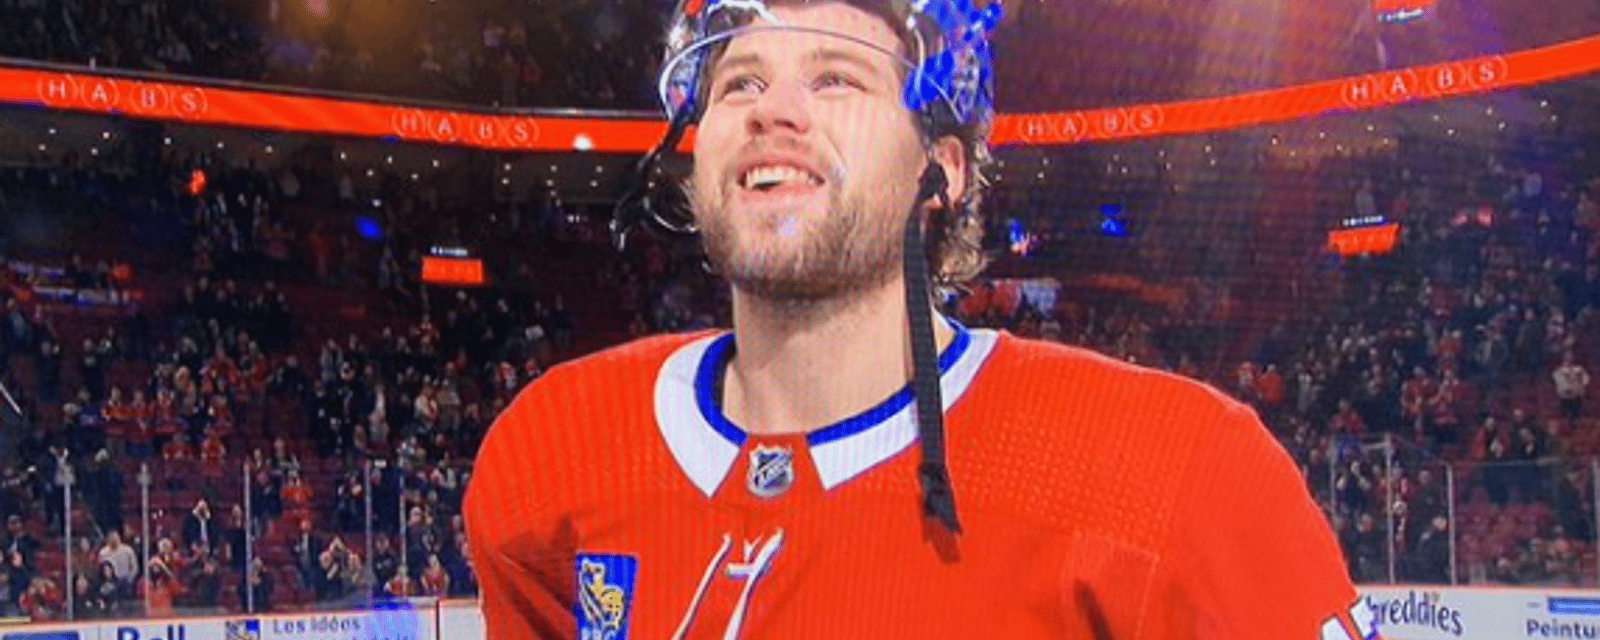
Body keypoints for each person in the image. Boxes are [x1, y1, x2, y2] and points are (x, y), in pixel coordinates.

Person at [465, 0, 1378, 638]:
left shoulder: (1181, 473)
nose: (773, 111)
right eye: (738, 85)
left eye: (835, 80)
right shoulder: (553, 451)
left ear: (938, 171)